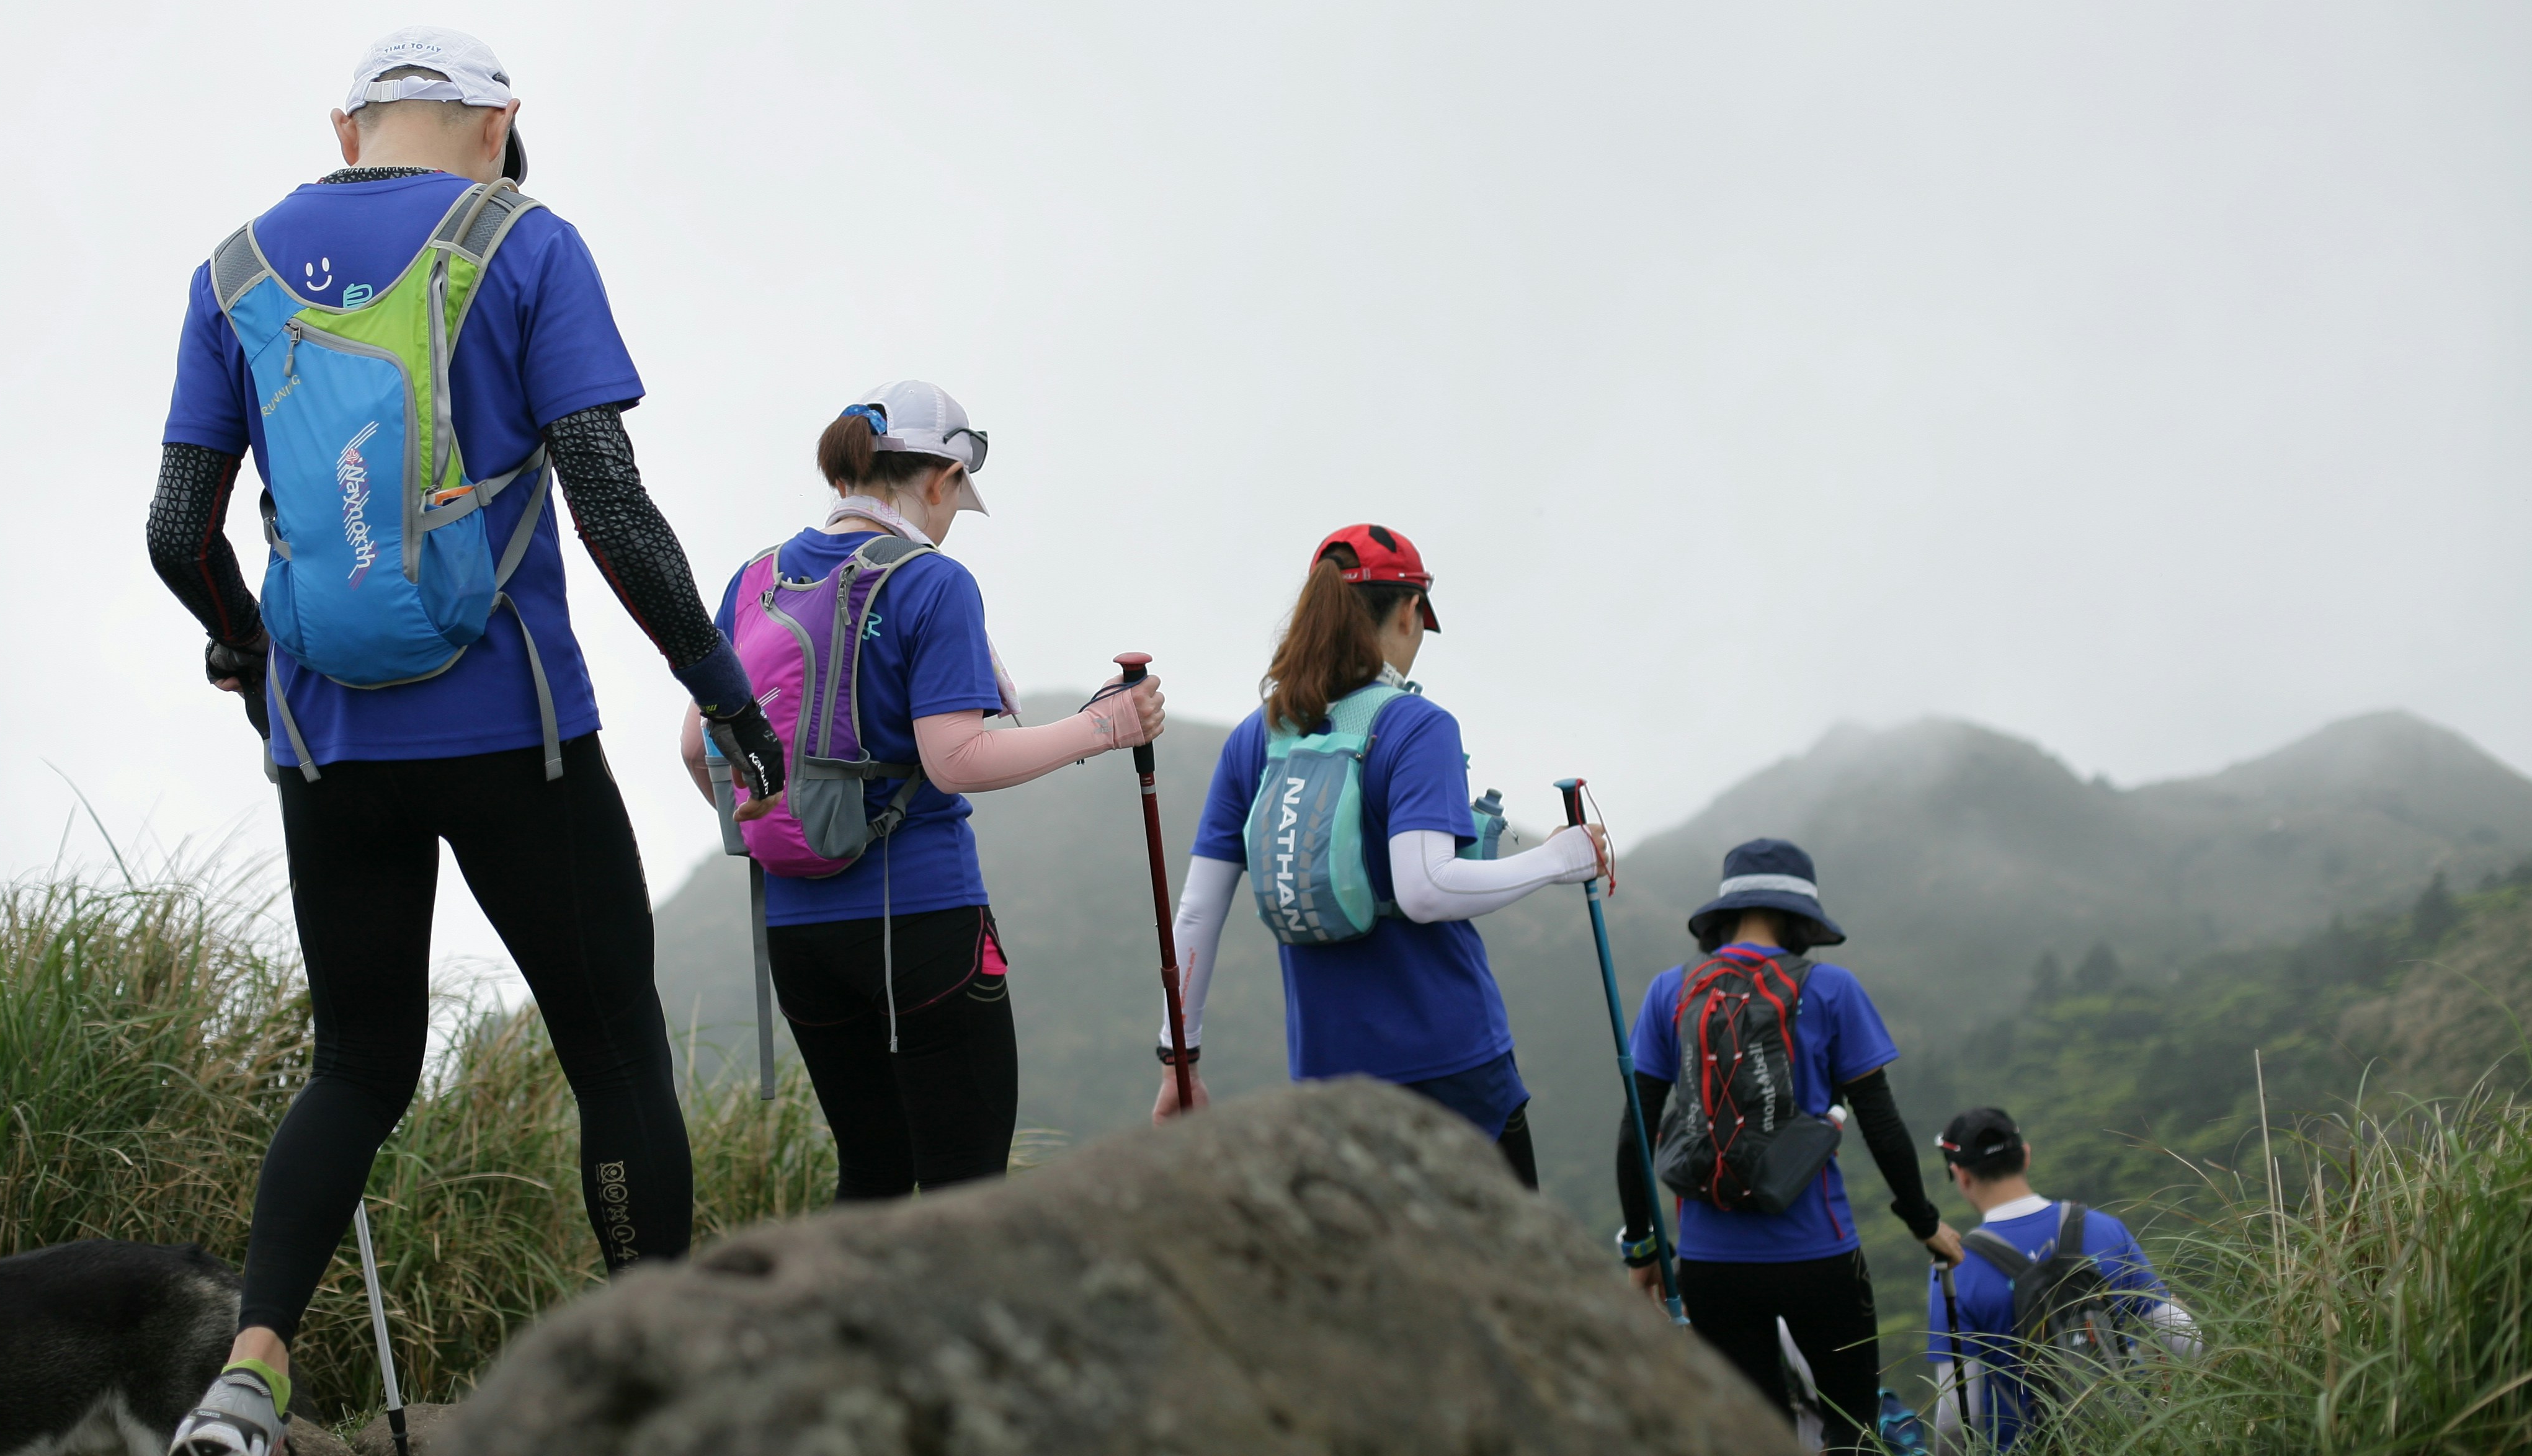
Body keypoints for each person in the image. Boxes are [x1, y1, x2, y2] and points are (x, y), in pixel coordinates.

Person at [149, 30, 784, 1456]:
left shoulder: (232, 271)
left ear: (347, 123)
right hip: (522, 733)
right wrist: (723, 690)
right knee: (615, 1055)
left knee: (356, 1068)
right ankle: (655, 1391)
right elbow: (612, 508)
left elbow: (171, 531)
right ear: (499, 124)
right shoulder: (526, 242)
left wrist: (252, 653)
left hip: (328, 742)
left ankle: (247, 1381)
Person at [681, 381, 1164, 1201]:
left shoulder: (754, 578)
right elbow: (957, 759)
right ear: (938, 478)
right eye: (955, 498)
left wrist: (793, 824)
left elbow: (699, 746)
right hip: (922, 919)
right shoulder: (931, 582)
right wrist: (1107, 728)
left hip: (797, 932)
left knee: (870, 1175)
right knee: (964, 1193)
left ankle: (839, 1330)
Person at [1150, 525, 1608, 1183]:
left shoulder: (1258, 737)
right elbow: (1425, 889)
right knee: (1498, 1275)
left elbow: (1196, 912)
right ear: (1409, 611)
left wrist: (1180, 1063)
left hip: (1328, 1074)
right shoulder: (1416, 724)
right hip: (1452, 1064)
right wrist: (1560, 859)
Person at [1615, 839, 1965, 1452]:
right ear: (1800, 915)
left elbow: (1635, 1133)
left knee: (1758, 1436)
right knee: (1852, 1427)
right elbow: (1881, 1123)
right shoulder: (1832, 988)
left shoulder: (1670, 990)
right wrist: (1924, 1220)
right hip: (1819, 1253)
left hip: (1710, 1262)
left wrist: (1644, 1247)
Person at [1928, 1107, 2198, 1450]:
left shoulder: (1956, 1268)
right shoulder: (2105, 1229)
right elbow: (2185, 1340)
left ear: (1960, 1175)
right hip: (2131, 1443)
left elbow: (1957, 1419)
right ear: (2025, 1156)